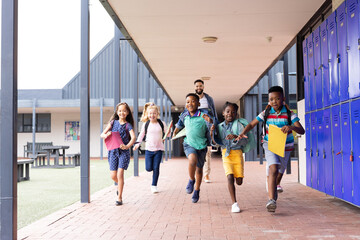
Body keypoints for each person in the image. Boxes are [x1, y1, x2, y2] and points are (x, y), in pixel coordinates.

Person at [238, 86, 305, 212]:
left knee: (279, 173)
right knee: (273, 168)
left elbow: (302, 130)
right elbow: (252, 123)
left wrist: (291, 127)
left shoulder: (290, 114)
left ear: (283, 99)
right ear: (268, 100)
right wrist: (243, 133)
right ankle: (271, 200)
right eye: (271, 99)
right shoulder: (266, 113)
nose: (274, 101)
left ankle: (273, 189)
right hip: (270, 144)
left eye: (277, 98)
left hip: (286, 147)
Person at [210, 102, 255, 213]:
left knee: (239, 181)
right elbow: (216, 143)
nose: (230, 114)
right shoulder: (219, 127)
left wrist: (236, 137)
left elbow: (245, 140)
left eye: (233, 112)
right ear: (223, 113)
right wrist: (212, 134)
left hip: (237, 154)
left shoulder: (238, 125)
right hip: (226, 154)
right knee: (230, 177)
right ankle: (234, 204)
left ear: (236, 114)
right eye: (228, 111)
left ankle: (238, 179)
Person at [173, 93, 213, 203]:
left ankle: (197, 190)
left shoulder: (203, 115)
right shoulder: (184, 115)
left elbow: (211, 127)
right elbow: (179, 125)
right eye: (187, 102)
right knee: (192, 160)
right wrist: (174, 132)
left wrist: (210, 122)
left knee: (199, 169)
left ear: (198, 104)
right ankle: (191, 180)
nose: (190, 104)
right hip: (189, 144)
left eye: (193, 101)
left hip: (202, 145)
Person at [175, 79, 217, 183]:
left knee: (206, 153)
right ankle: (193, 178)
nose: (199, 88)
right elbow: (185, 113)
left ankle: (206, 174)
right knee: (193, 155)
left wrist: (213, 124)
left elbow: (213, 112)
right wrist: (176, 130)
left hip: (205, 123)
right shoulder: (191, 99)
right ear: (195, 87)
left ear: (203, 87)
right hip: (193, 123)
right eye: (197, 86)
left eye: (200, 86)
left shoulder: (208, 99)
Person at [100, 102, 136, 206]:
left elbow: (133, 137)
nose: (122, 112)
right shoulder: (112, 123)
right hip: (112, 152)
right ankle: (120, 185)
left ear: (128, 112)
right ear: (117, 112)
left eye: (124, 110)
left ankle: (119, 197)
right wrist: (107, 134)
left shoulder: (128, 125)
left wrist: (127, 146)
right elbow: (102, 134)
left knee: (120, 174)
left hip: (123, 152)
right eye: (120, 111)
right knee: (113, 176)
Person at [133, 102, 169, 194]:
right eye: (150, 113)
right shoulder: (146, 124)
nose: (152, 115)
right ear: (147, 114)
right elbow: (141, 135)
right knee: (149, 168)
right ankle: (152, 171)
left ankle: (154, 185)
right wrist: (137, 143)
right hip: (149, 150)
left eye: (154, 113)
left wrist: (169, 133)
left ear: (157, 114)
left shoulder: (161, 123)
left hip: (159, 149)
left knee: (156, 168)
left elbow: (167, 133)